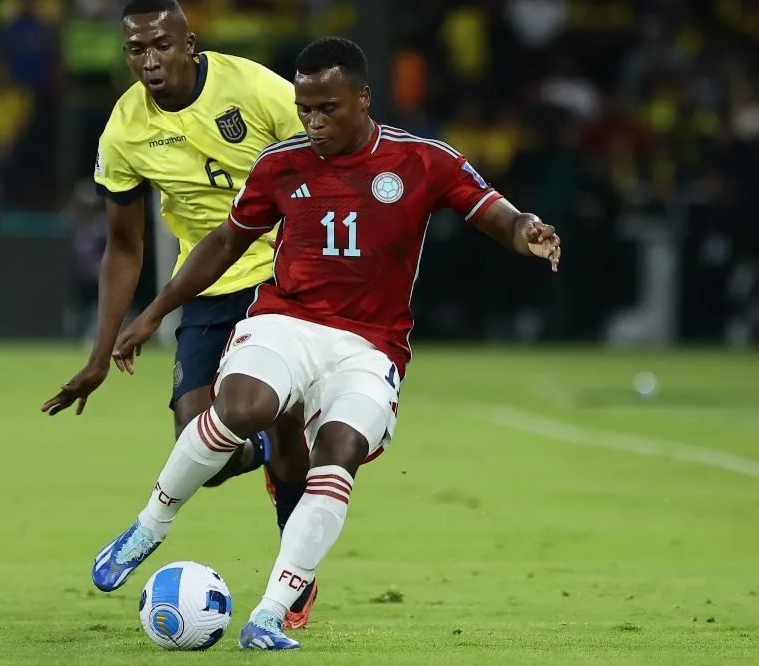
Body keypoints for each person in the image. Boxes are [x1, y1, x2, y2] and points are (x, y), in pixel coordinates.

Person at [99, 36, 562, 650]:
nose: (312, 122)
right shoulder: (280, 164)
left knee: (337, 450)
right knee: (241, 409)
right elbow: (222, 244)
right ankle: (148, 526)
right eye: (305, 108)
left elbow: (491, 211)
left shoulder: (423, 160)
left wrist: (527, 230)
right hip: (286, 323)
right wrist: (157, 310)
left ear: (363, 99)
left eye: (327, 109)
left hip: (371, 348)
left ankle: (270, 612)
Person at [38, 0, 320, 626]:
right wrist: (98, 354)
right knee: (202, 451)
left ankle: (292, 583)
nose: (150, 59)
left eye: (162, 44)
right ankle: (266, 460)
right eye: (136, 49)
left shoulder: (253, 87)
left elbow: (328, 156)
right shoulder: (125, 129)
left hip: (285, 279)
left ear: (189, 44)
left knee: (285, 422)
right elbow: (123, 246)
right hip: (205, 284)